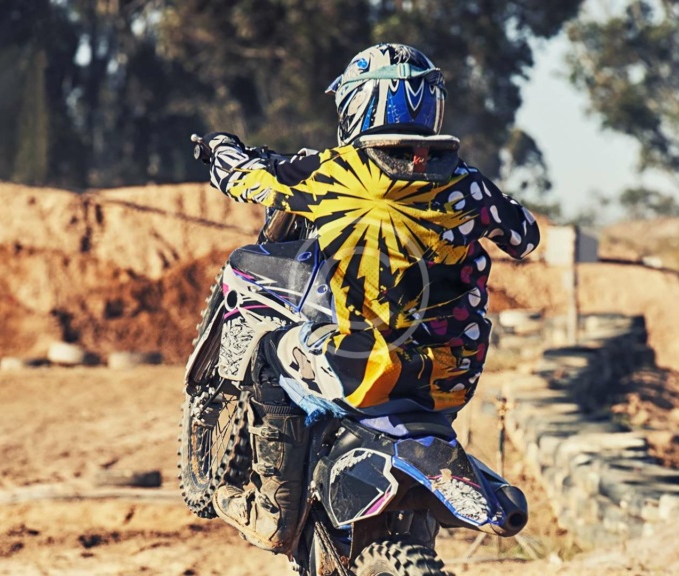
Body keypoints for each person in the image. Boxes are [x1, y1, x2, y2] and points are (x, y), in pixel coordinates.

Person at [196, 43, 540, 553]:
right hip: (450, 376)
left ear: (358, 104)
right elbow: (525, 236)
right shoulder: (467, 184)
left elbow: (244, 178)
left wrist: (220, 148)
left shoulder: (332, 173)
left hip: (364, 366)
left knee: (268, 346)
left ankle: (275, 505)